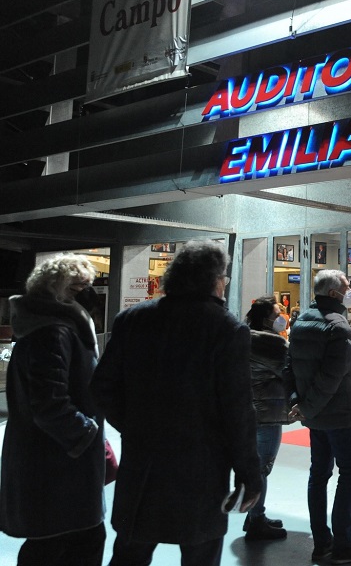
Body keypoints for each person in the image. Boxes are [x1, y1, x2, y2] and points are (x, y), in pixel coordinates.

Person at [91, 241, 262, 566]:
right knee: (200, 554)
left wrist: (134, 424)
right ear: (214, 279)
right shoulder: (227, 329)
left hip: (143, 463)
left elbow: (101, 388)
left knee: (130, 554)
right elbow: (238, 410)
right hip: (202, 471)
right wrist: (249, 474)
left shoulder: (132, 319)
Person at [0, 254, 106, 566]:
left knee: (52, 544)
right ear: (56, 292)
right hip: (58, 469)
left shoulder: (44, 328)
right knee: (72, 544)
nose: (89, 294)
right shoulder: (54, 332)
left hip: (50, 465)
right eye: (79, 288)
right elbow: (50, 404)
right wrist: (87, 433)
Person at [286, 269, 351, 564]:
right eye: (348, 287)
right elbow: (333, 376)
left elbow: (290, 367)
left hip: (314, 415)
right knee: (350, 473)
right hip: (337, 414)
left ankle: (322, 541)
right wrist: (309, 406)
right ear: (335, 293)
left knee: (319, 474)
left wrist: (299, 402)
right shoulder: (337, 326)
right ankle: (343, 543)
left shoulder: (300, 321)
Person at [243, 297, 292, 541]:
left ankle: (254, 513)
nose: (281, 317)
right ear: (266, 319)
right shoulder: (272, 343)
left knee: (256, 466)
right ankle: (256, 519)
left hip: (249, 409)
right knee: (262, 467)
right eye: (277, 313)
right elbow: (287, 371)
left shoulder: (244, 337)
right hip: (267, 410)